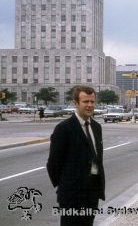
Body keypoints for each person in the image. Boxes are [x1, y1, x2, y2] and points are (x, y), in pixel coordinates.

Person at [47, 85, 105, 226]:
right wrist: (66, 186)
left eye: (92, 102)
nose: (90, 105)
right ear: (75, 103)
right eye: (86, 102)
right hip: (71, 196)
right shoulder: (64, 128)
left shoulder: (97, 127)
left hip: (92, 193)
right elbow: (53, 164)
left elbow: (97, 158)